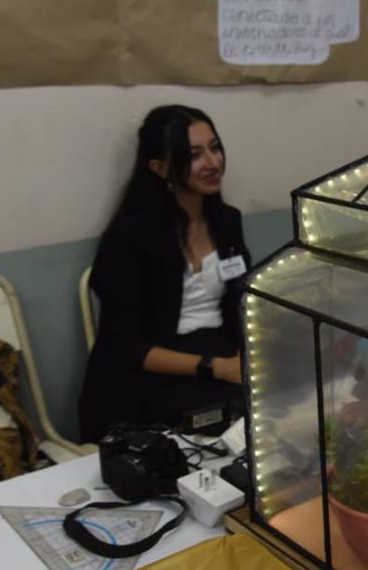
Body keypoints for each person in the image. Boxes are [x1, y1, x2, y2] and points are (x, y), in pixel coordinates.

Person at [78, 105, 250, 443]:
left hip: (220, 355)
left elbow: (239, 301)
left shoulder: (226, 221)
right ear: (159, 168)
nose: (213, 163)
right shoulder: (129, 238)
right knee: (213, 430)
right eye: (194, 155)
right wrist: (216, 367)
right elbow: (122, 345)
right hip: (154, 373)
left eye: (215, 148)